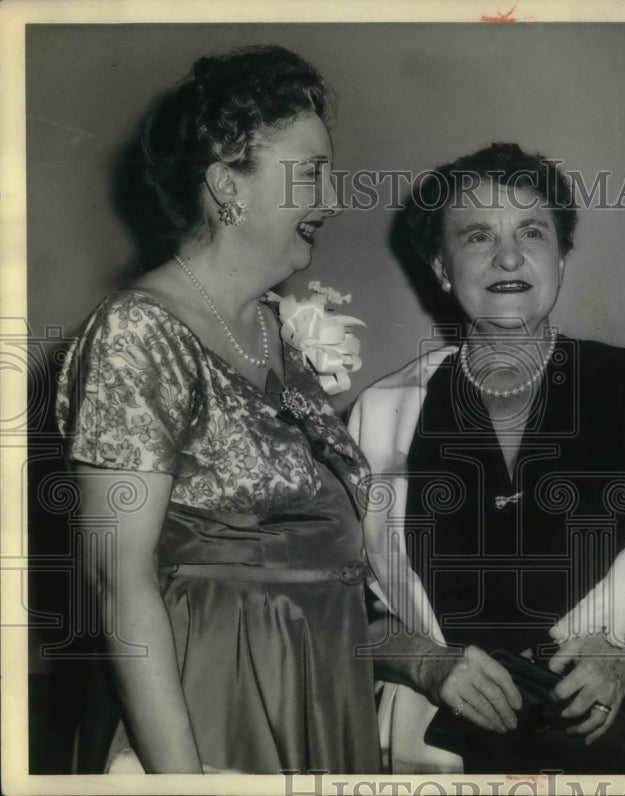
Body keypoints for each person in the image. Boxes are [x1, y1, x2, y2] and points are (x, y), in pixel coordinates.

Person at [55, 45, 380, 774]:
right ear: (227, 185)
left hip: (319, 693)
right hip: (211, 709)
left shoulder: (273, 332)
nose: (330, 201)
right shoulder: (135, 331)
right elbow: (119, 583)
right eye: (311, 174)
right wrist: (181, 780)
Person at [349, 143, 625, 774]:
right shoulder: (384, 411)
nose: (509, 257)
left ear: (561, 255)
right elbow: (333, 603)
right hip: (438, 747)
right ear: (441, 267)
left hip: (610, 742)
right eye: (476, 236)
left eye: (531, 231)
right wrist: (424, 662)